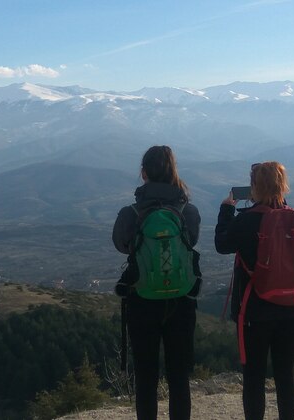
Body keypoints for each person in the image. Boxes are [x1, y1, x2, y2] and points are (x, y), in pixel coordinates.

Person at [112, 145, 201, 420]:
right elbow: (192, 242)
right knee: (179, 376)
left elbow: (121, 244)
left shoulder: (131, 213)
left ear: (143, 174)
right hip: (181, 300)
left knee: (146, 377)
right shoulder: (189, 211)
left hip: (143, 299)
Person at [214, 161, 294, 420]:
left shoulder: (246, 220)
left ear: (254, 187)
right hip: (293, 308)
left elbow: (221, 243)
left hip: (255, 310)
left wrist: (226, 210)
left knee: (253, 377)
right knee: (286, 374)